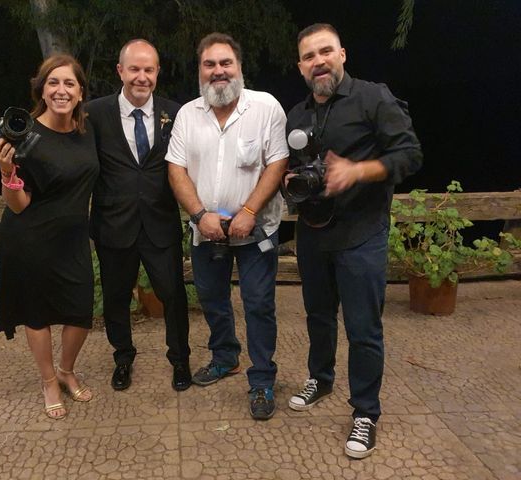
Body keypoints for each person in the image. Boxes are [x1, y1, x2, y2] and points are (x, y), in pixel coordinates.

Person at [285, 23, 423, 458]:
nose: (318, 61)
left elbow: (410, 154)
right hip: (312, 234)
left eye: (325, 51)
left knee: (363, 329)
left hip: (362, 234)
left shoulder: (373, 97)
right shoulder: (297, 114)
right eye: (309, 56)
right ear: (301, 66)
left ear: (342, 54)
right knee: (318, 317)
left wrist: (358, 171)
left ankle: (365, 412)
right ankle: (320, 380)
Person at [167, 33, 289, 420]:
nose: (218, 71)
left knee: (258, 303)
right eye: (209, 64)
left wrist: (250, 209)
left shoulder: (265, 106)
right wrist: (201, 215)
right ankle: (225, 357)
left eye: (225, 63)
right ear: (200, 71)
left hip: (256, 231)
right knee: (212, 299)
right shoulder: (188, 113)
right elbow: (176, 169)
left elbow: (277, 163)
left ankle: (262, 379)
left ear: (239, 67)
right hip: (206, 230)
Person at [0, 54, 99, 419]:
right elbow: (18, 205)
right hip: (30, 239)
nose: (61, 90)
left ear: (81, 92)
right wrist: (7, 171)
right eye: (53, 83)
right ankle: (49, 379)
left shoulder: (87, 131)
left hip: (73, 240)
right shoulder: (26, 134)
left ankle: (66, 370)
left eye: (69, 83)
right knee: (38, 315)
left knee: (81, 312)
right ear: (42, 89)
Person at [84, 39, 191, 392]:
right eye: (134, 69)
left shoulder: (175, 113)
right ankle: (123, 357)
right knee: (116, 297)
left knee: (173, 295)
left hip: (161, 225)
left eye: (148, 70)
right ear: (120, 71)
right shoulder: (93, 114)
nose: (141, 77)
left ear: (157, 72)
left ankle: (179, 359)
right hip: (114, 225)